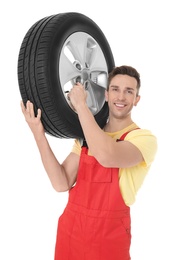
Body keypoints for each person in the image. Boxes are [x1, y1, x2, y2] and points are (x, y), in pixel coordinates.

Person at [21, 65, 157, 260]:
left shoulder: (143, 139)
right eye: (115, 89)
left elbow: (106, 155)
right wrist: (38, 133)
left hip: (108, 241)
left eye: (129, 92)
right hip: (70, 233)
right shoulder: (86, 137)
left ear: (137, 99)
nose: (121, 97)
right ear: (106, 95)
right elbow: (61, 183)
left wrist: (82, 106)